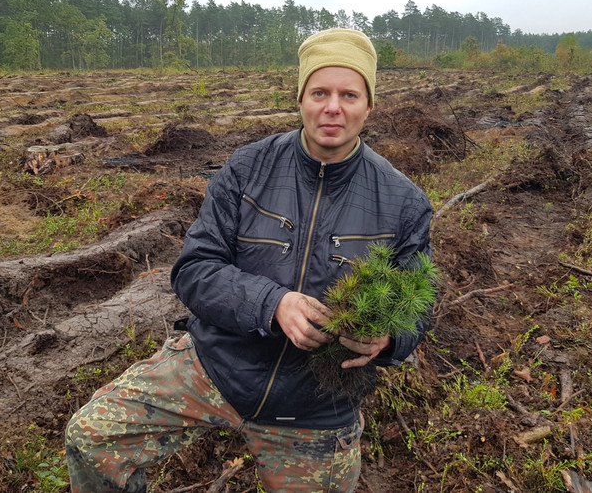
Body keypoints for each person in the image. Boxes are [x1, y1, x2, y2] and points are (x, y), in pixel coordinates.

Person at [65, 28, 433, 492]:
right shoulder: (247, 169)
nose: (332, 107)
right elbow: (195, 269)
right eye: (319, 92)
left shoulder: (403, 202)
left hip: (314, 408)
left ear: (369, 104)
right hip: (216, 366)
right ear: (301, 97)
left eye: (349, 94)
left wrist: (387, 339)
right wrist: (273, 303)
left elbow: (419, 306)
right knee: (91, 438)